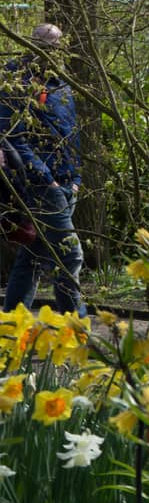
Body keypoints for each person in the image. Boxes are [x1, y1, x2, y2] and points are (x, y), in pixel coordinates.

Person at [0, 23, 83, 314]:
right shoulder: (17, 83)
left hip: (66, 182)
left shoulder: (60, 82)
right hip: (41, 185)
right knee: (69, 255)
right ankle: (77, 328)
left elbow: (71, 132)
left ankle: (11, 324)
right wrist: (45, 180)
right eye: (46, 45)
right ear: (31, 44)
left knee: (33, 256)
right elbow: (12, 135)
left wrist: (75, 178)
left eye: (57, 45)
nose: (52, 51)